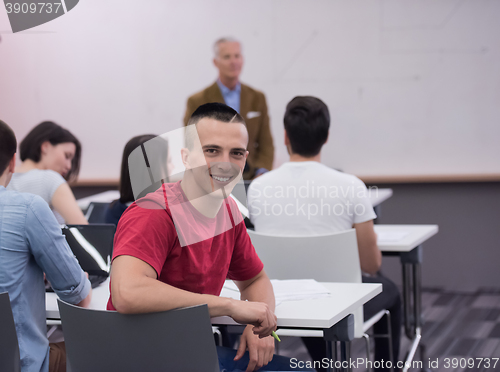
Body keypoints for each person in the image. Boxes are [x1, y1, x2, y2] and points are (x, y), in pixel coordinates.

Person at [107, 103, 312, 372]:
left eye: (236, 153)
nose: (225, 164)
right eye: (212, 151)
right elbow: (127, 293)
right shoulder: (154, 212)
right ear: (186, 156)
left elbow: (254, 279)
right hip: (140, 356)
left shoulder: (229, 212)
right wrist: (230, 306)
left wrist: (257, 323)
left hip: (189, 351)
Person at [247, 96, 402, 371]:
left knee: (307, 287)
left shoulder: (258, 188)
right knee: (389, 290)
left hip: (278, 303)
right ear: (326, 136)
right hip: (338, 305)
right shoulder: (351, 186)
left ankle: (327, 365)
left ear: (285, 136)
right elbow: (371, 265)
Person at [0, 120, 92, 372]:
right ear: (11, 162)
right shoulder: (29, 206)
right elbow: (78, 296)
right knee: (107, 345)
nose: (69, 165)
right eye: (67, 156)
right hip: (20, 364)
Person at [184, 37, 274, 180]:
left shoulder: (258, 98)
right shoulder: (197, 101)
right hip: (212, 178)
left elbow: (266, 143)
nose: (233, 62)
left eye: (237, 56)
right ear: (215, 62)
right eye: (227, 57)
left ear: (242, 59)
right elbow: (191, 144)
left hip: (251, 178)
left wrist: (262, 172)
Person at [7, 121, 87, 224]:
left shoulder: (6, 178)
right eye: (67, 156)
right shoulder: (50, 179)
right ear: (45, 147)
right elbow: (83, 228)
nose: (69, 166)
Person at [105, 134, 173, 226]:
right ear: (153, 168)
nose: (172, 167)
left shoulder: (114, 209)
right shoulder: (155, 215)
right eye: (168, 161)